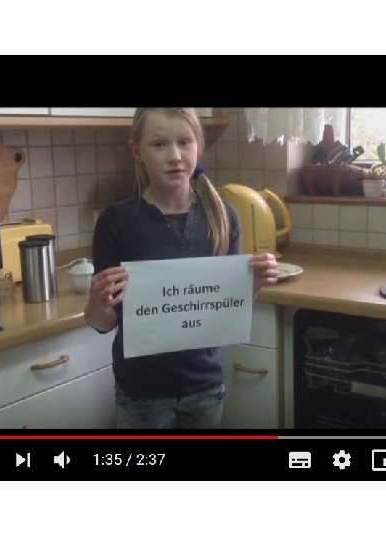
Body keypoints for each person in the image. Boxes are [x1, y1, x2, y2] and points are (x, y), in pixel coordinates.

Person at [84, 107, 279, 429]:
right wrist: (98, 300)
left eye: (184, 142)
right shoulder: (115, 222)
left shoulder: (224, 216)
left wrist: (255, 282)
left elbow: (225, 309)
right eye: (159, 144)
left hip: (206, 388)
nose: (175, 156)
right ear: (137, 151)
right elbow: (101, 323)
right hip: (141, 394)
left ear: (198, 145)